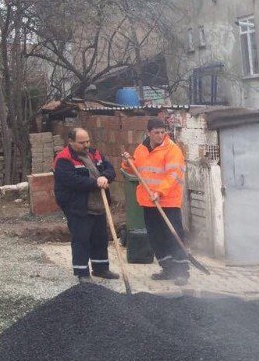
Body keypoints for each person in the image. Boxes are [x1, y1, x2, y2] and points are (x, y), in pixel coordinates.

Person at [122, 118, 190, 285]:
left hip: (168, 201)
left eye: (162, 132)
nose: (160, 135)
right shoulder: (141, 149)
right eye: (156, 132)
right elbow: (136, 169)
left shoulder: (172, 150)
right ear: (148, 133)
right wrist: (127, 161)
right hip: (148, 202)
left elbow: (173, 175)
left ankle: (181, 271)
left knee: (173, 236)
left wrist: (159, 192)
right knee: (156, 237)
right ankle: (167, 268)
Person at [53, 128, 119, 284]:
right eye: (81, 142)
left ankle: (101, 268)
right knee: (81, 239)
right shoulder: (63, 159)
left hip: (98, 204)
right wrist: (96, 182)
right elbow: (73, 181)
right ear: (71, 142)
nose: (86, 145)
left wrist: (105, 176)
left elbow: (110, 170)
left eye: (88, 141)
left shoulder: (95, 154)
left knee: (100, 239)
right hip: (78, 206)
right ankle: (82, 272)